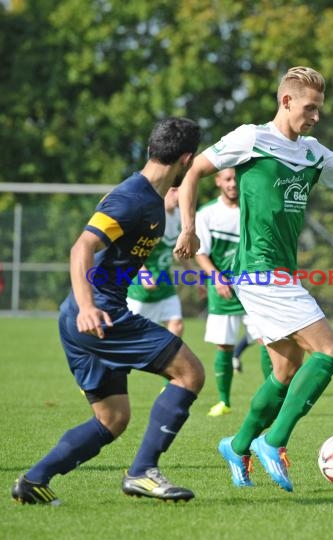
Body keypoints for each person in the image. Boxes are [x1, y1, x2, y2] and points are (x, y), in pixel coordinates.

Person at [174, 66, 333, 492]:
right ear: (286, 101)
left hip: (277, 275)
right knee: (330, 351)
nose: (315, 116)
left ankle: (237, 446)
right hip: (260, 273)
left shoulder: (313, 152)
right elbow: (192, 172)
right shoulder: (250, 138)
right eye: (309, 108)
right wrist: (188, 227)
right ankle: (273, 442)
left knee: (285, 369)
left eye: (320, 110)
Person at [12, 117, 204, 505]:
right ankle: (143, 472)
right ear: (186, 158)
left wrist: (187, 227)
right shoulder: (132, 198)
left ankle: (33, 481)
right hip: (99, 314)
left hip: (82, 317)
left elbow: (188, 190)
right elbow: (81, 247)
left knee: (112, 419)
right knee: (190, 373)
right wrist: (87, 306)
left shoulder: (154, 193)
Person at [195, 168, 272, 416]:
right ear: (218, 181)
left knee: (267, 341)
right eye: (227, 179)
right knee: (225, 347)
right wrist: (216, 278)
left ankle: (272, 399)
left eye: (236, 179)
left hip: (253, 289)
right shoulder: (207, 214)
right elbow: (201, 253)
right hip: (223, 290)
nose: (232, 184)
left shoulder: (253, 210)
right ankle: (224, 402)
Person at [126, 186, 205, 339]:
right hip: (140, 290)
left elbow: (179, 254)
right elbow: (131, 249)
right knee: (133, 338)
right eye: (174, 190)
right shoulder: (151, 217)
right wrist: (144, 274)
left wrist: (196, 279)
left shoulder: (180, 218)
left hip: (165, 285)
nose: (178, 194)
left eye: (181, 190)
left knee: (177, 326)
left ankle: (165, 362)